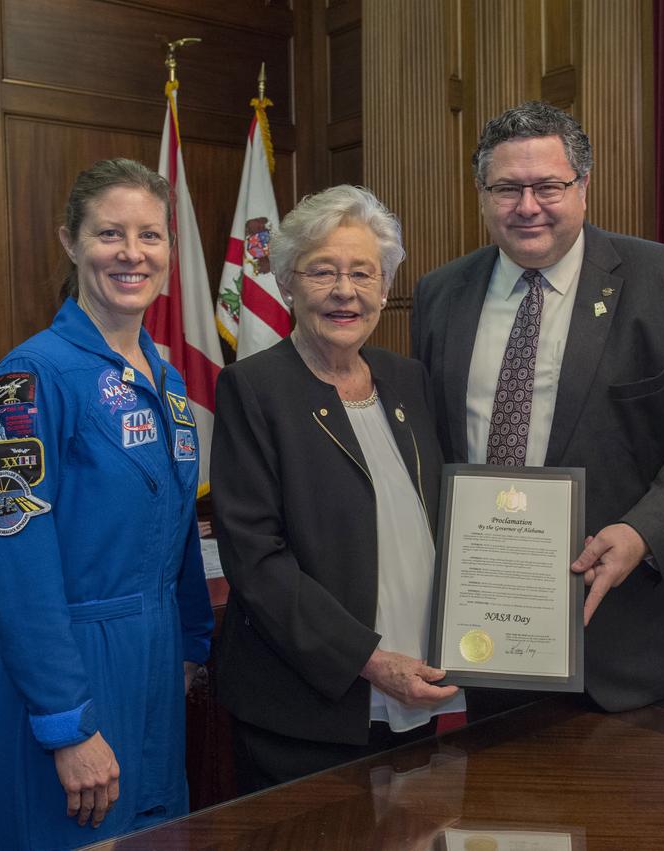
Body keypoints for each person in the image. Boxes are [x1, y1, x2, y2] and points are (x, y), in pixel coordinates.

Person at [411, 102, 664, 716]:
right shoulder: (441, 294)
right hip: (489, 640)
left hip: (632, 648)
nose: (527, 206)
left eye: (548, 185)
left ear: (584, 186)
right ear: (481, 193)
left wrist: (643, 532)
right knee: (498, 812)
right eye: (506, 188)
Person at [0, 158, 213, 850]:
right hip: (70, 669)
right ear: (70, 242)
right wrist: (65, 722)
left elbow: (177, 528)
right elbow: (16, 569)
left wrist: (192, 640)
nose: (132, 253)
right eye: (110, 233)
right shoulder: (29, 377)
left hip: (157, 661)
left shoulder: (162, 380)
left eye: (150, 235)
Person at [211, 185, 466, 794]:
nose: (344, 291)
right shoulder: (254, 389)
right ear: (288, 284)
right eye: (322, 271)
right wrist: (372, 662)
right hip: (307, 709)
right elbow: (257, 560)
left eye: (362, 273)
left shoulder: (409, 380)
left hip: (417, 690)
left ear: (384, 288)